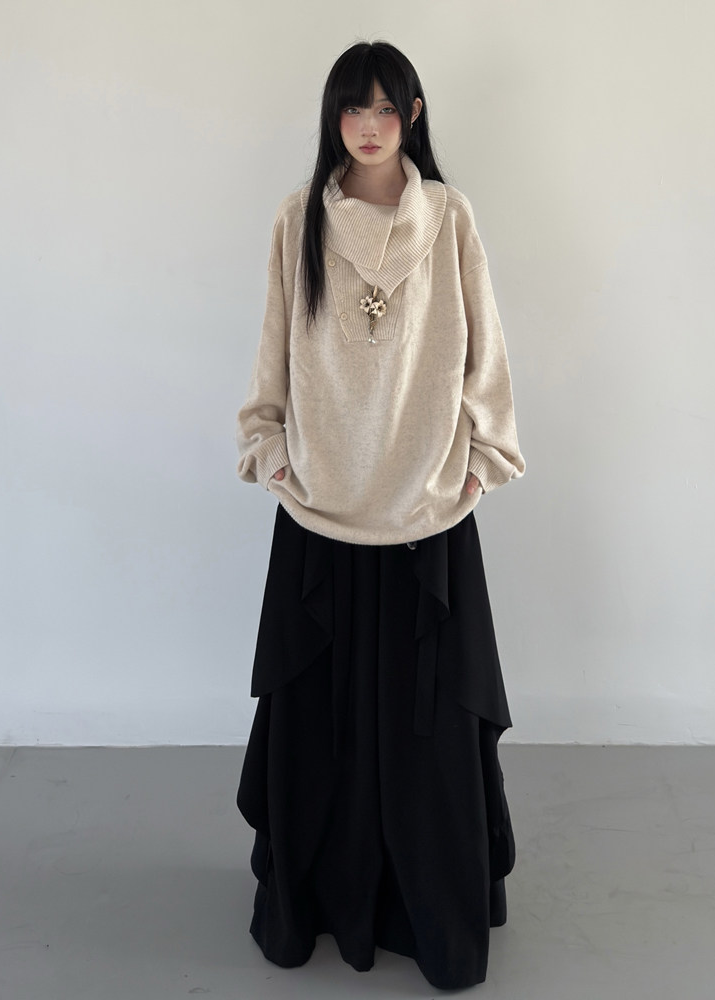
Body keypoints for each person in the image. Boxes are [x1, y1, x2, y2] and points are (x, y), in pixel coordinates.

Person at [233, 40, 526, 991]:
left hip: (428, 505)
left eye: (385, 108)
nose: (368, 125)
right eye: (352, 108)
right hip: (320, 505)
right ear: (333, 117)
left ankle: (426, 904)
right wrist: (269, 442)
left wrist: (483, 456)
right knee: (318, 729)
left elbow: (485, 346)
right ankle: (318, 896)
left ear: (414, 114)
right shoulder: (299, 220)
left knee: (427, 734)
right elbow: (272, 348)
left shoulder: (449, 218)